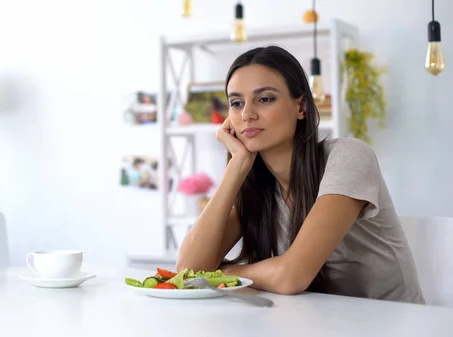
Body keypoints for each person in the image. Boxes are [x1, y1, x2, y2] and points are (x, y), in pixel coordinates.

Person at [176, 45, 425, 304]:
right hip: (317, 322)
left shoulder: (348, 157)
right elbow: (187, 272)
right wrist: (236, 167)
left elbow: (290, 277)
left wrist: (222, 273)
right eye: (236, 103)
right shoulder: (255, 186)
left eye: (265, 99)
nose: (247, 114)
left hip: (391, 324)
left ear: (301, 107)